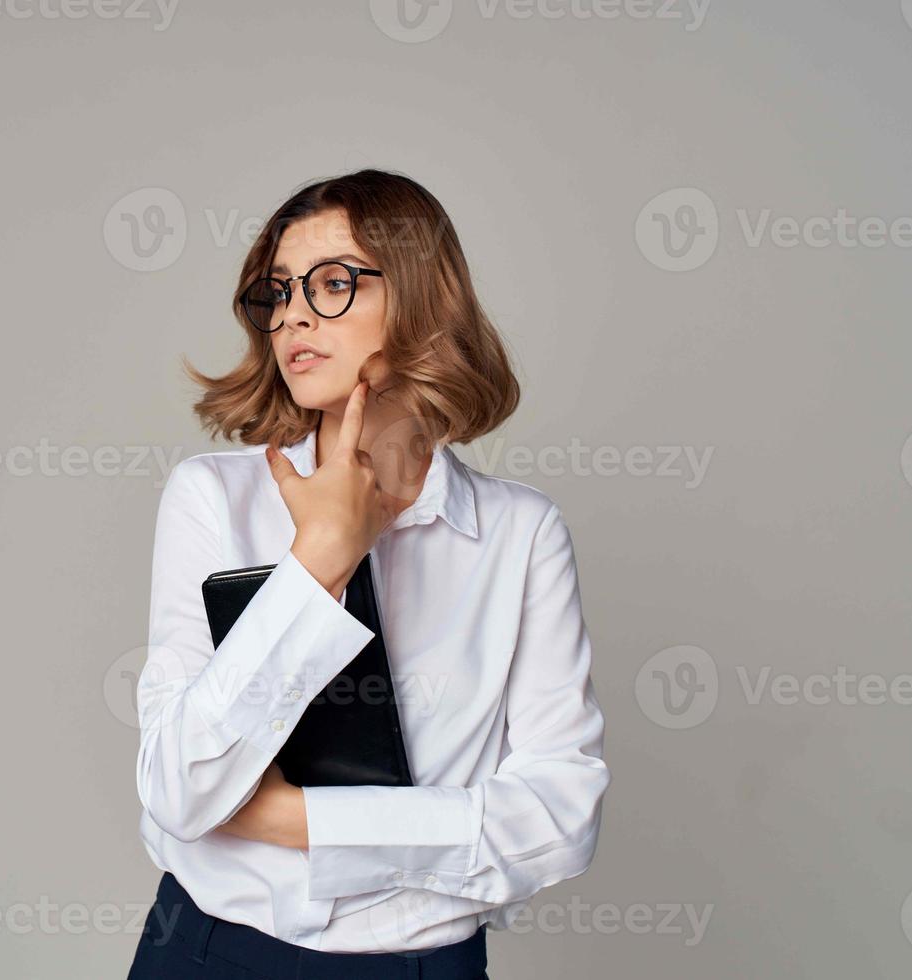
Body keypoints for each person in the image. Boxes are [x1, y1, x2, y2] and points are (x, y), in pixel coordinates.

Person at [127, 169, 611, 979]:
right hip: (211, 952)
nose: (293, 316)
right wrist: (318, 558)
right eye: (277, 292)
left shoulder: (521, 534)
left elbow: (560, 816)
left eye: (333, 283)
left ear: (423, 297)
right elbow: (177, 790)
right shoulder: (213, 499)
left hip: (421, 967)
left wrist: (293, 819)